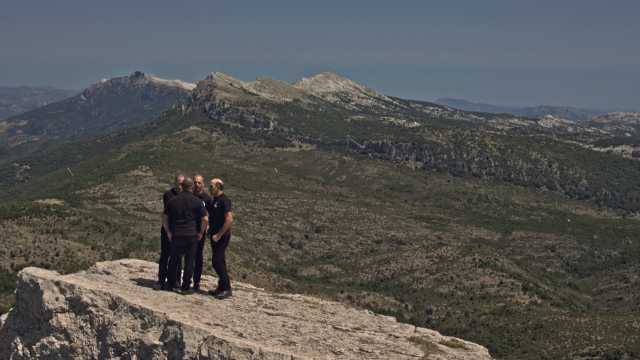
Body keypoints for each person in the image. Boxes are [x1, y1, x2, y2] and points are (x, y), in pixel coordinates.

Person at [163, 177, 208, 294]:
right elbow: (205, 219)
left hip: (177, 234)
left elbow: (165, 217)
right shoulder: (197, 202)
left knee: (174, 260)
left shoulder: (173, 201)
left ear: (181, 186)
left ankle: (170, 283)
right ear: (192, 187)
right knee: (190, 261)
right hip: (191, 235)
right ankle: (186, 286)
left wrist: (168, 231)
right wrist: (201, 233)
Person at [207, 178, 234, 299]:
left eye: (211, 186)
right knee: (220, 261)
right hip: (214, 235)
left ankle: (227, 288)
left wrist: (219, 234)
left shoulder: (224, 200)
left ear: (218, 187)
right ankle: (221, 287)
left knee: (216, 261)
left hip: (221, 236)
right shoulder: (214, 200)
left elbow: (229, 219)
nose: (209, 189)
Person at [157, 174, 184, 289]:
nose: (180, 185)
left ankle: (176, 280)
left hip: (180, 231)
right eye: (178, 182)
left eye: (182, 183)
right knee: (165, 255)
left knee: (178, 257)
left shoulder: (187, 195)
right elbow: (167, 213)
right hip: (168, 229)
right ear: (175, 183)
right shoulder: (168, 195)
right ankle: (161, 280)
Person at [191, 174, 211, 291]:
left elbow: (211, 215)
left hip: (200, 232)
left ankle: (196, 282)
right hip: (187, 229)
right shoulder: (189, 195)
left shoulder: (207, 198)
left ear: (203, 184)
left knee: (198, 256)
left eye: (199, 182)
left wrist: (207, 227)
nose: (197, 185)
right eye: (195, 182)